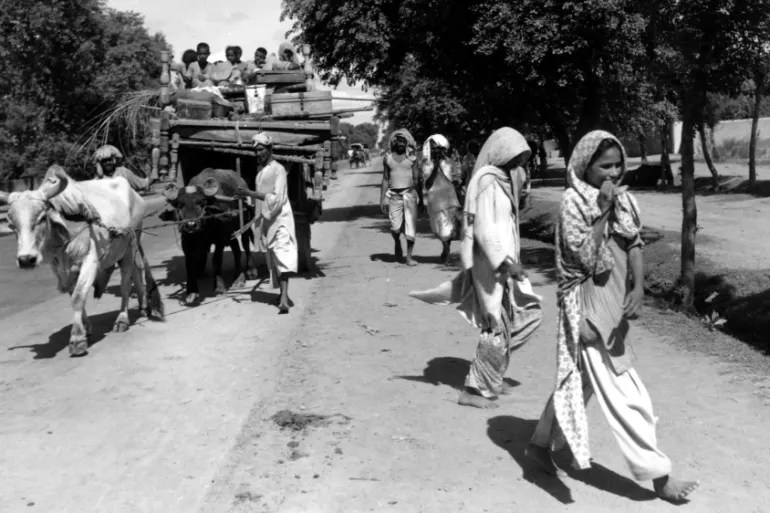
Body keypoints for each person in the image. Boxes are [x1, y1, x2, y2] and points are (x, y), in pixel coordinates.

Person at [525, 130, 699, 503]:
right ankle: (658, 475)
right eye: (605, 166)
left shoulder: (625, 200)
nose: (614, 173)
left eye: (618, 164)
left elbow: (634, 243)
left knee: (577, 383)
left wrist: (638, 289)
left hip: (613, 306)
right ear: (585, 167)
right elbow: (585, 259)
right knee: (629, 395)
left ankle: (538, 447)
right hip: (586, 307)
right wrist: (602, 209)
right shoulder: (573, 203)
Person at [410, 127, 543, 408]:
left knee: (525, 316)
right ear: (503, 152)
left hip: (504, 263)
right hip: (491, 265)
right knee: (495, 324)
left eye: (522, 159)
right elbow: (483, 228)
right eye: (516, 158)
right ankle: (473, 389)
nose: (519, 164)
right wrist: (506, 262)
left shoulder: (503, 179)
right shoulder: (486, 181)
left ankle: (491, 374)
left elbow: (506, 223)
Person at [234, 133, 297, 314]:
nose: (258, 153)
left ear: (270, 149)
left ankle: (283, 299)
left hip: (281, 220)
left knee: (282, 255)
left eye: (261, 149)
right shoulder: (261, 173)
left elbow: (277, 198)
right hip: (268, 222)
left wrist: (250, 193)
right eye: (256, 151)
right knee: (274, 259)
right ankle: (283, 294)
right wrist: (246, 198)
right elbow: (259, 200)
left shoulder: (279, 170)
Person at [380, 129, 420, 266]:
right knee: (395, 228)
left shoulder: (412, 158)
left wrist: (417, 195)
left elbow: (417, 179)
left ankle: (409, 257)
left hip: (409, 195)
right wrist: (382, 199)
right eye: (399, 141)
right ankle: (397, 241)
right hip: (394, 196)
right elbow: (385, 178)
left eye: (403, 141)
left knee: (410, 227)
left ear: (407, 143)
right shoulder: (388, 158)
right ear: (394, 143)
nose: (401, 144)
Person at [420, 134, 461, 264]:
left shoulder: (450, 162)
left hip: (450, 199)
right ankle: (445, 247)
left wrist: (459, 197)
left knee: (449, 228)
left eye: (438, 148)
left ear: (443, 149)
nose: (436, 151)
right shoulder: (426, 164)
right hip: (435, 201)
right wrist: (436, 167)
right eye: (434, 148)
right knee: (439, 229)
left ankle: (447, 251)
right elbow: (427, 184)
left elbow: (456, 180)